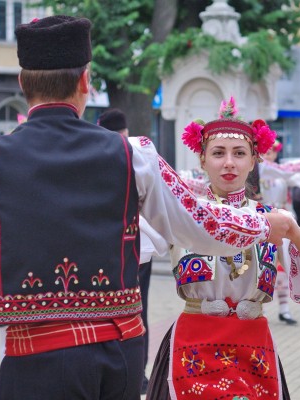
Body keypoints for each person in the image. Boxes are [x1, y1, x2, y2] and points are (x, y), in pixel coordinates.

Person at [0, 16, 296, 400]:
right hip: (116, 355)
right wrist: (264, 224)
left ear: (23, 83)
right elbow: (198, 223)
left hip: (32, 355)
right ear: (86, 81)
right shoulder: (133, 155)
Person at [146, 98, 300, 400]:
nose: (229, 162)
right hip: (193, 342)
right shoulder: (183, 214)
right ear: (202, 160)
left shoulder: (272, 218)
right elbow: (135, 243)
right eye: (218, 153)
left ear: (254, 160)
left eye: (239, 153)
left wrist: (296, 233)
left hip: (253, 345)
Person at [97, 106, 167, 394]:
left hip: (108, 246)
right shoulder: (139, 155)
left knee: (109, 309)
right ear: (125, 131)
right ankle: (139, 373)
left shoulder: (97, 155)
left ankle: (115, 369)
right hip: (142, 245)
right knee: (141, 309)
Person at [260, 139, 300, 325]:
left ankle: (284, 310)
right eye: (266, 151)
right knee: (262, 267)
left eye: (273, 151)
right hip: (262, 224)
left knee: (283, 267)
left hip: (281, 222)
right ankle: (260, 310)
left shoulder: (281, 174)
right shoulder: (254, 172)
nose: (269, 154)